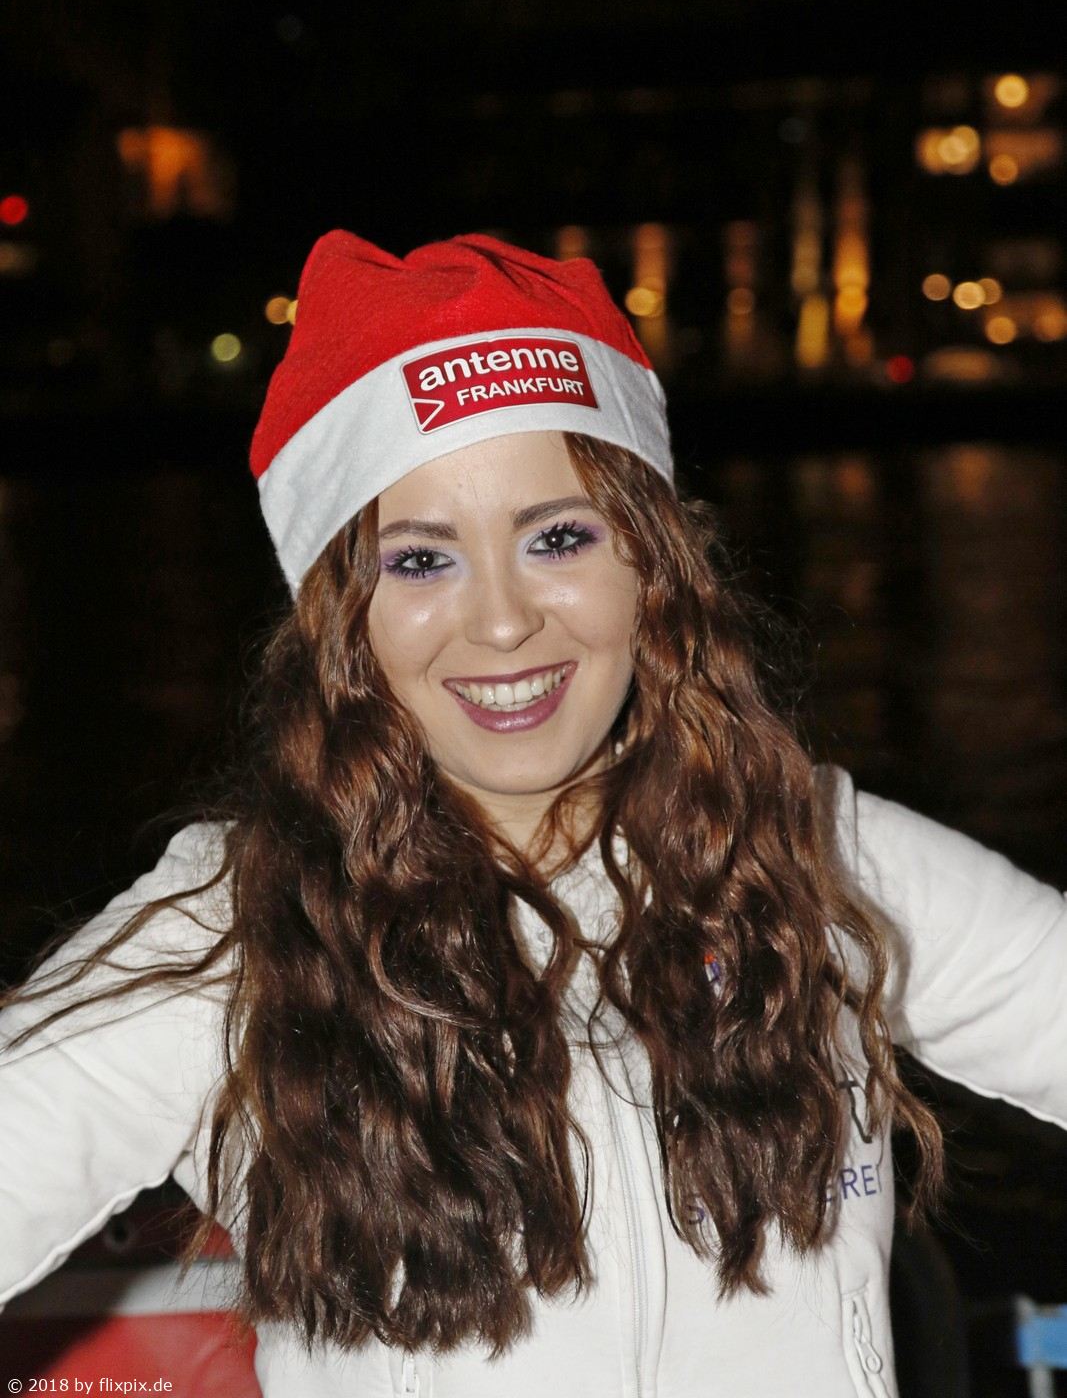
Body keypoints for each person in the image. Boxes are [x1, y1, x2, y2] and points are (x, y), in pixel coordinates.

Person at [2, 229, 1066, 1398]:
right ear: (341, 621)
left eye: (557, 537)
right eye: (420, 561)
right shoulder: (236, 935)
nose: (503, 621)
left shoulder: (812, 860)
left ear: (649, 567)